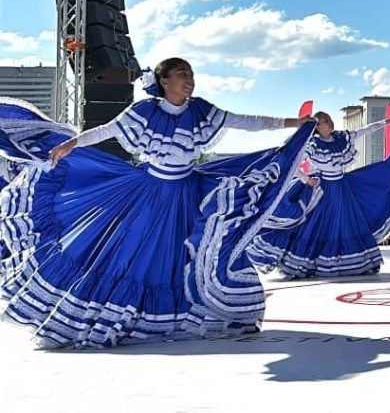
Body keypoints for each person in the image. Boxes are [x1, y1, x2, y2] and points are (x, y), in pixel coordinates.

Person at [0, 57, 315, 348]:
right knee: (135, 253)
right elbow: (107, 130)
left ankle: (186, 313)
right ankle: (116, 313)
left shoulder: (201, 110)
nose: (189, 80)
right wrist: (72, 143)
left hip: (188, 193)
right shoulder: (144, 112)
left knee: (181, 256)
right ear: (164, 81)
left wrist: (298, 123)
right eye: (182, 75)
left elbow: (248, 121)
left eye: (191, 74)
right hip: (149, 193)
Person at [248, 112, 390, 278]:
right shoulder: (313, 145)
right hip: (322, 191)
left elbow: (363, 131)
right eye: (324, 121)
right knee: (318, 226)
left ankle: (345, 263)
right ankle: (313, 263)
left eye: (328, 119)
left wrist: (385, 122)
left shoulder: (340, 138)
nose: (329, 123)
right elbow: (291, 164)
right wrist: (306, 179)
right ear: (316, 127)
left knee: (344, 225)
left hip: (342, 189)